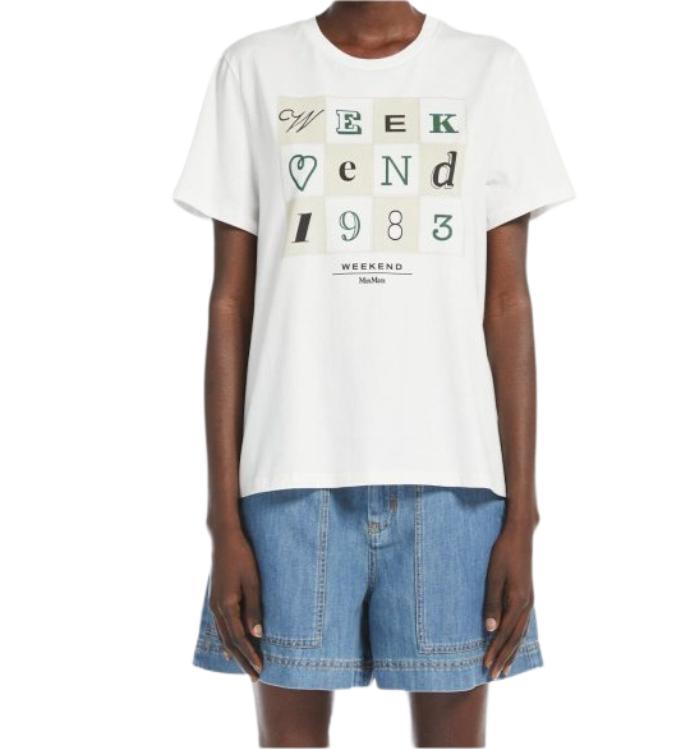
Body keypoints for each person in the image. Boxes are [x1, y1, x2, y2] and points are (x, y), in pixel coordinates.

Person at [173, 1, 575, 745]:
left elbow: (507, 303)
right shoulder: (254, 69)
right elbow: (230, 303)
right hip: (290, 482)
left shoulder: (490, 71)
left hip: (455, 487)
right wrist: (223, 520)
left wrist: (522, 517)